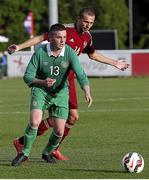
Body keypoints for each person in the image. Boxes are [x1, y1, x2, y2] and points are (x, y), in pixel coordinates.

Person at [8, 7, 129, 161]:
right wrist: (19, 46)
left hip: (67, 81)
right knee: (52, 118)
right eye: (85, 21)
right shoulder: (64, 30)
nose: (87, 25)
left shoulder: (87, 37)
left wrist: (114, 63)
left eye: (91, 23)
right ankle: (28, 145)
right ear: (78, 19)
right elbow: (40, 38)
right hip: (50, 79)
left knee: (71, 118)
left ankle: (46, 147)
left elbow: (92, 54)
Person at [11, 23, 92, 166]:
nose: (63, 41)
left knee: (59, 131)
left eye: (65, 37)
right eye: (59, 37)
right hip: (41, 91)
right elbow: (27, 77)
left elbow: (81, 74)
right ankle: (24, 152)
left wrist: (86, 90)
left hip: (60, 93)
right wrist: (42, 82)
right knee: (35, 121)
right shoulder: (40, 52)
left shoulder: (69, 53)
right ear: (50, 38)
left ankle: (47, 152)